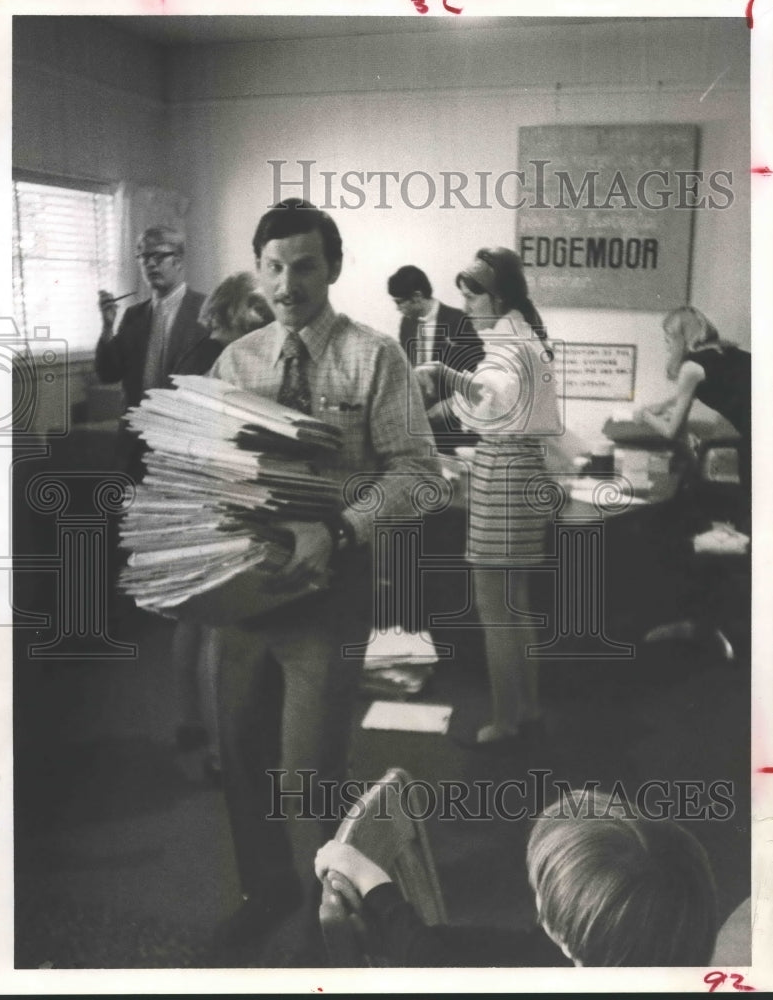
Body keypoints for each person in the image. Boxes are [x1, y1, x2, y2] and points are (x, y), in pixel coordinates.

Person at [208, 199, 439, 956]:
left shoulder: (374, 357)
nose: (286, 283)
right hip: (242, 593)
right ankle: (265, 886)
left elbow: (417, 474)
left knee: (309, 774)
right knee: (241, 754)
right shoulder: (236, 360)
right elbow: (203, 464)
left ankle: (325, 913)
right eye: (272, 266)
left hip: (328, 595)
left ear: (332, 267)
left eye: (303, 265)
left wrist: (339, 527)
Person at [314, 788, 718, 967]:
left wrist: (370, 880)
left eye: (542, 895)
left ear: (564, 932)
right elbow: (527, 949)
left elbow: (433, 966)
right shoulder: (625, 956)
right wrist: (403, 934)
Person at [417, 248, 561, 748]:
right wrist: (442, 373)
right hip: (523, 473)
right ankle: (530, 708)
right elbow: (490, 393)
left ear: (496, 297)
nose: (466, 304)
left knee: (493, 610)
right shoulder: (523, 334)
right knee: (514, 605)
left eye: (473, 294)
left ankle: (505, 720)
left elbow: (482, 401)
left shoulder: (507, 344)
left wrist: (432, 406)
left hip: (502, 476)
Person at [172, 272, 275, 781]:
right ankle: (219, 749)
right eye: (261, 313)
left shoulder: (200, 352)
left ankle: (196, 723)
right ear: (242, 311)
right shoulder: (220, 361)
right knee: (217, 633)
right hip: (206, 500)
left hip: (190, 496)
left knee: (196, 622)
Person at [96, 225, 210, 477]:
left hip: (186, 440)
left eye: (159, 256)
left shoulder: (206, 311)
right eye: (144, 257)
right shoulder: (133, 315)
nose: (150, 264)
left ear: (178, 260)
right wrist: (107, 326)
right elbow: (108, 373)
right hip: (137, 440)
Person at [635, 305, 750, 510]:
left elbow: (672, 432)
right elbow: (715, 386)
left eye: (668, 337)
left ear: (681, 337)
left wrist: (644, 415)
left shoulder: (691, 368)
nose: (666, 343)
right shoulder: (725, 352)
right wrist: (666, 404)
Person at [388, 264, 484, 449]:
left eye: (399, 302)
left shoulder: (460, 321)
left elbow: (479, 378)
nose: (397, 308)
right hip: (421, 427)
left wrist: (450, 406)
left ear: (417, 296)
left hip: (454, 428)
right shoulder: (406, 324)